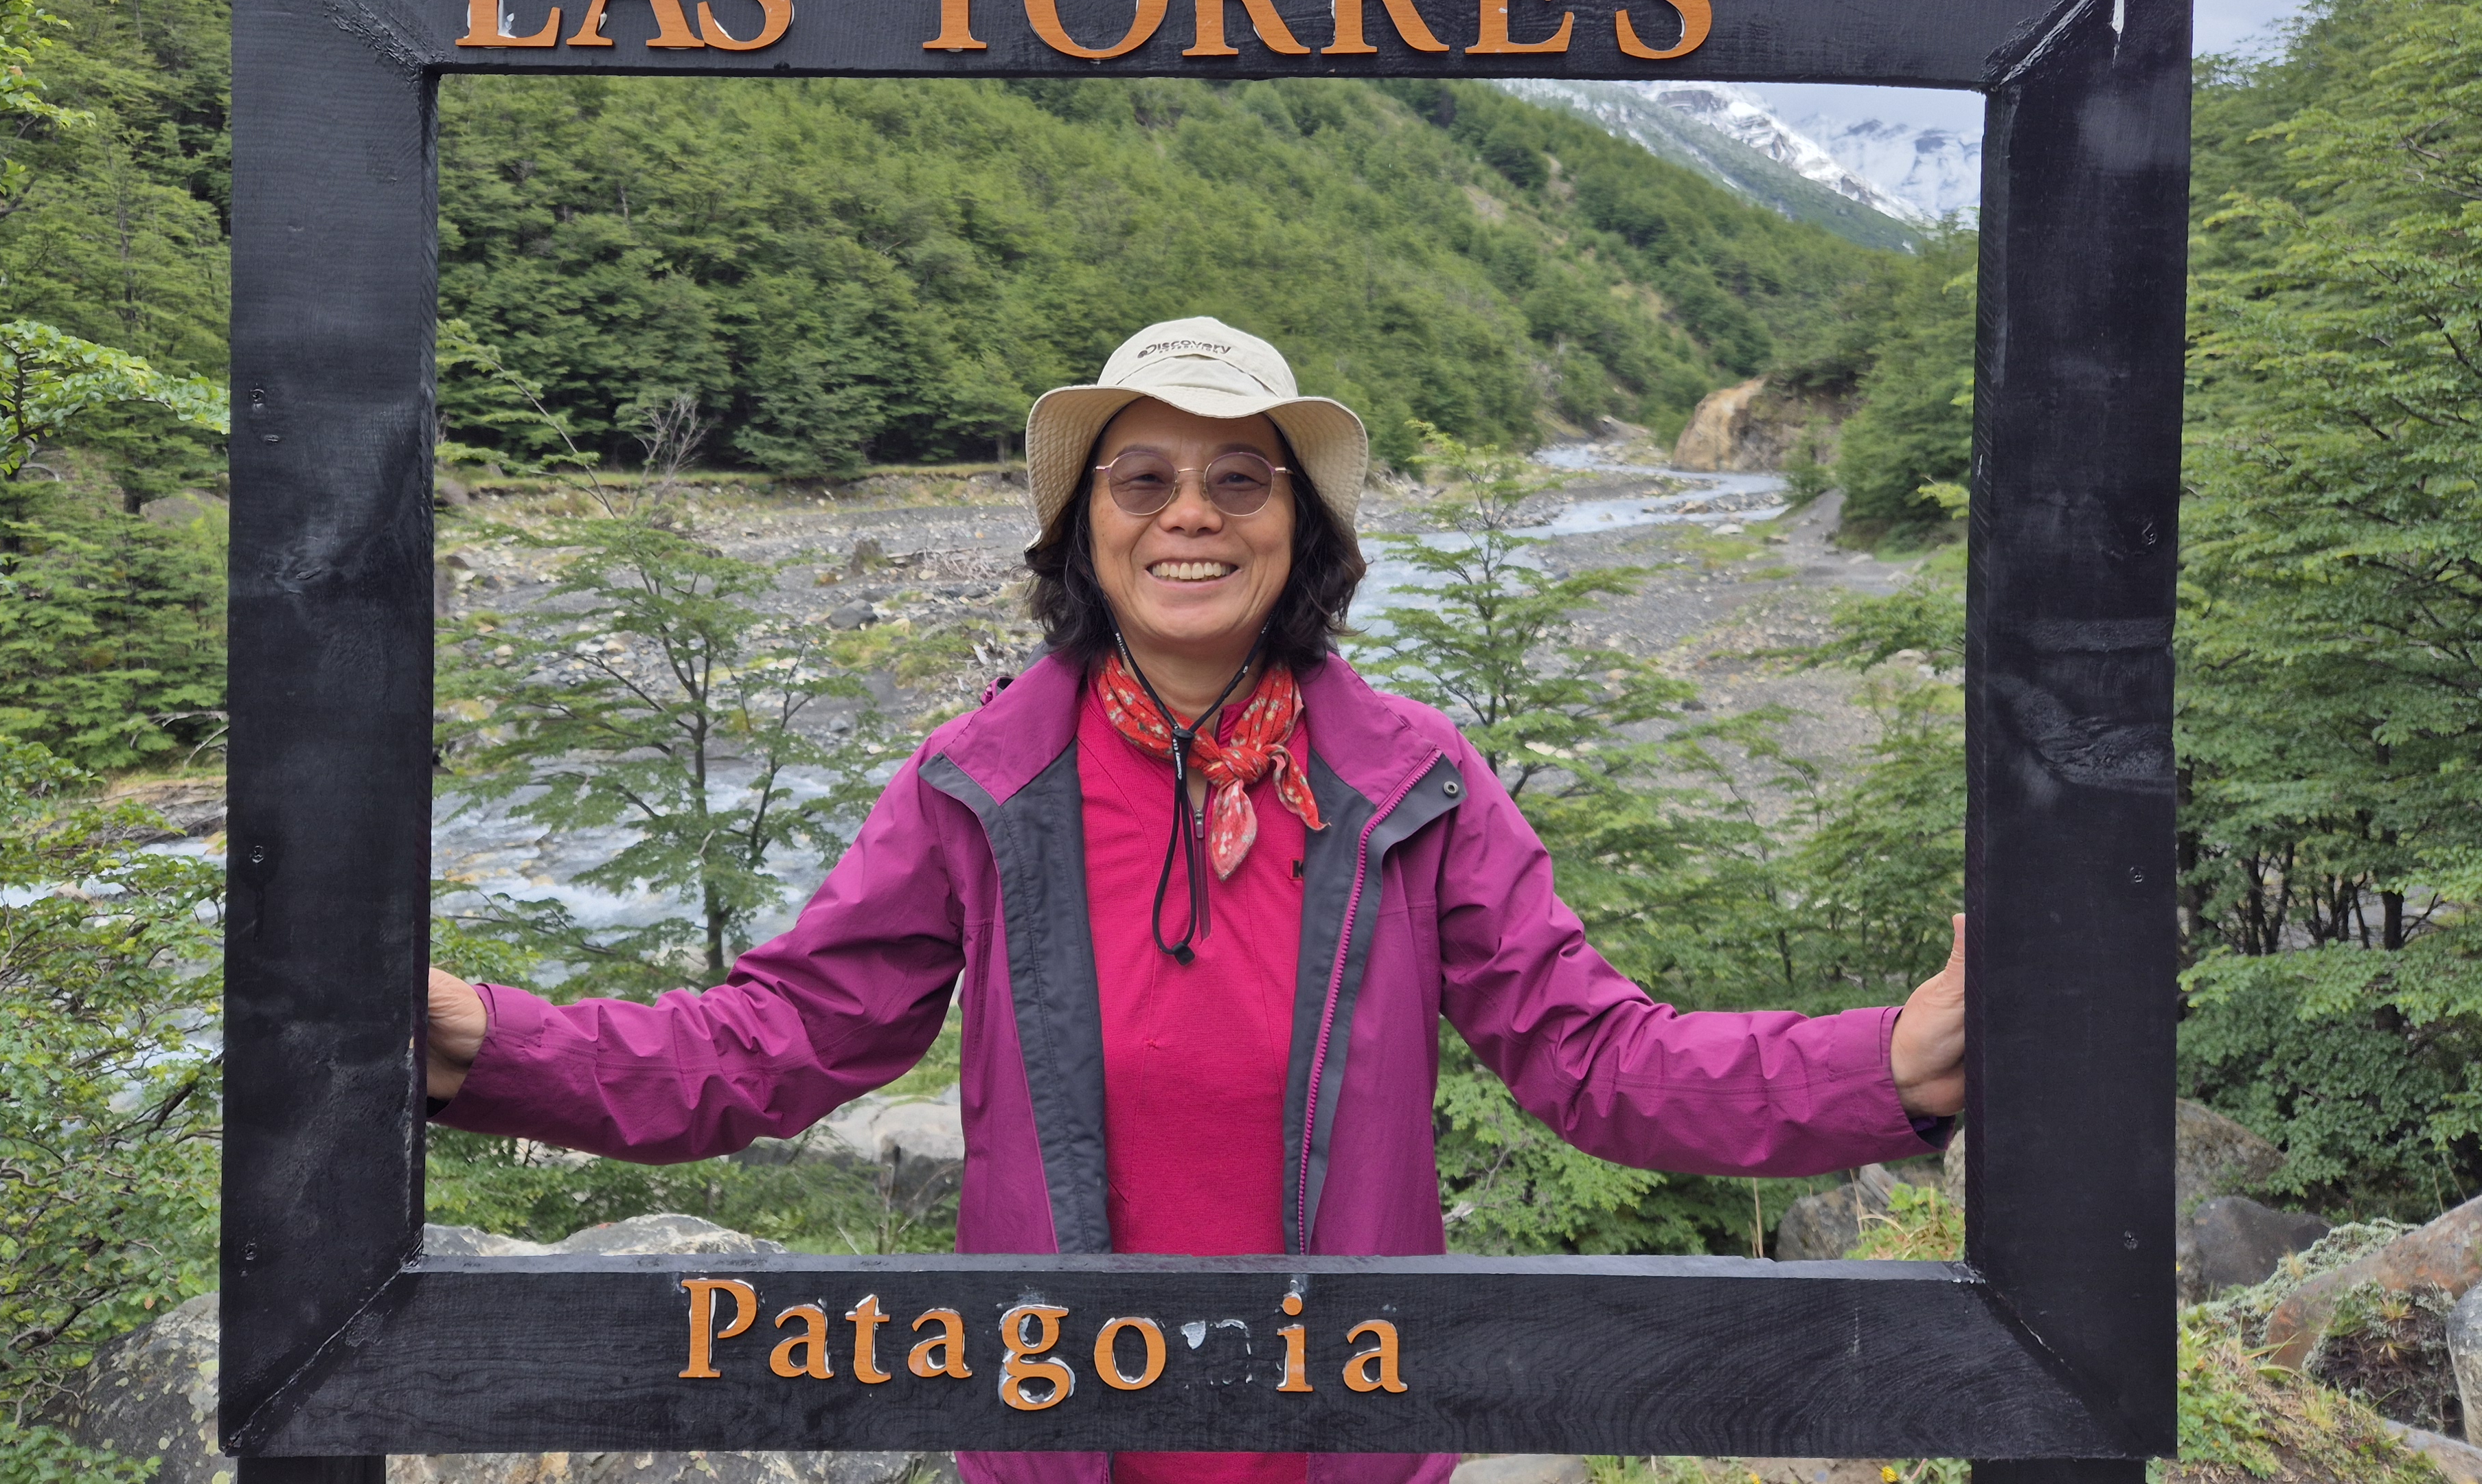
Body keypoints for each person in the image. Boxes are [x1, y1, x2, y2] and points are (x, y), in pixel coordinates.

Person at [425, 316, 1966, 1484]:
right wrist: (487, 1044)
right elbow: (772, 1043)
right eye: (1143, 477)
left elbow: (1594, 1058)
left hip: (1351, 1436)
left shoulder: (1413, 780)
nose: (1191, 514)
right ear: (1082, 527)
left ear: (1303, 529)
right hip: (1051, 1441)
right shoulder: (977, 781)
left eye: (1241, 479)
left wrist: (1887, 1065)